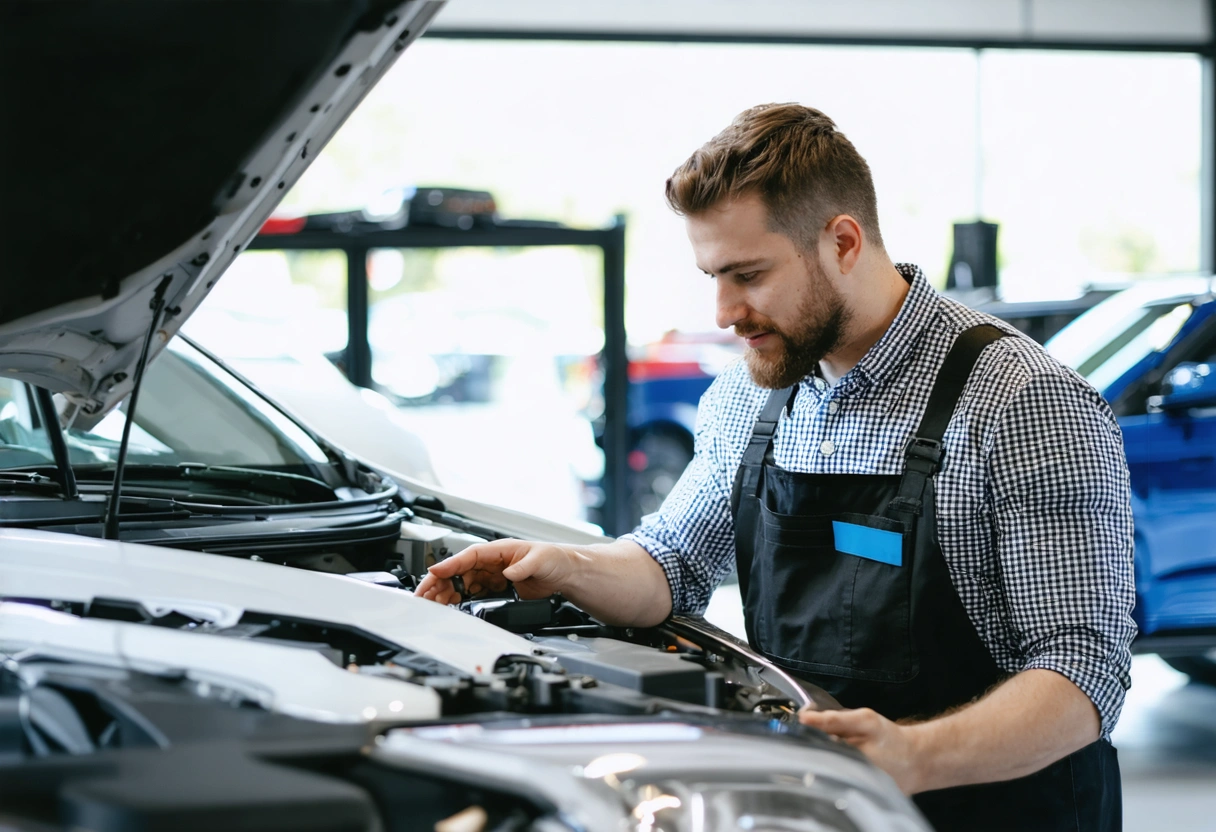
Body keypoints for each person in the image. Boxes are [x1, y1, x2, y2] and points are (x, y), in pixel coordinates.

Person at [415, 103, 1135, 830]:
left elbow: (1083, 671)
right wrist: (562, 566)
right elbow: (671, 563)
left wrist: (913, 757)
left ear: (843, 242)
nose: (725, 311)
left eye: (748, 274)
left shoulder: (1024, 402)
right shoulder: (745, 398)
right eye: (712, 276)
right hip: (821, 805)